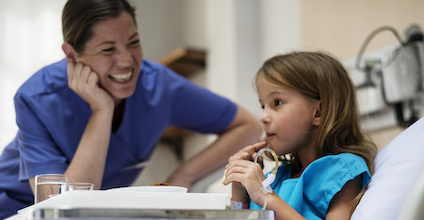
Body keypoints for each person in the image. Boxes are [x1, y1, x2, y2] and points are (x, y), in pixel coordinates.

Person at [0, 0, 262, 218]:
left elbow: (247, 126)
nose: (127, 60)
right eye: (107, 49)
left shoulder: (158, 85)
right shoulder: (36, 97)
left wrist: (184, 175)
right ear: (71, 55)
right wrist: (101, 111)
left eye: (133, 42)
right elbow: (58, 209)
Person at [223, 51, 377, 220]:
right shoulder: (276, 178)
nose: (263, 117)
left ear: (318, 112)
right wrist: (240, 189)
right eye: (263, 106)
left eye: (277, 103)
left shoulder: (342, 171)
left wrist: (266, 196)